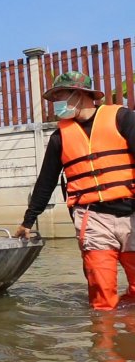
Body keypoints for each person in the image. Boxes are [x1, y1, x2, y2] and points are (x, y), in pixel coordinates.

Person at [14, 71, 135, 311]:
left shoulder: (123, 118)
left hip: (132, 213)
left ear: (79, 95)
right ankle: (104, 344)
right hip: (93, 218)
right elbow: (45, 182)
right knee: (102, 293)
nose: (57, 105)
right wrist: (28, 221)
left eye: (60, 96)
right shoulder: (60, 137)